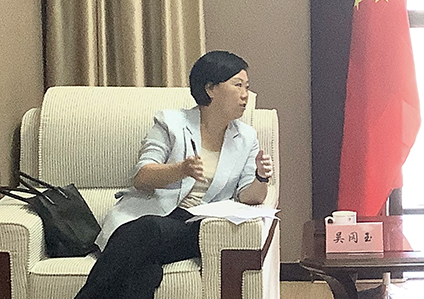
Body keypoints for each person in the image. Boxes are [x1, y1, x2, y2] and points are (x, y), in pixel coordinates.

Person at [75, 50, 274, 299]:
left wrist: (261, 176)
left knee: (146, 232)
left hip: (193, 226)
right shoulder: (171, 123)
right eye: (238, 85)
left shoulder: (246, 137)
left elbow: (248, 196)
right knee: (143, 274)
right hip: (150, 218)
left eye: (247, 86)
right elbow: (142, 177)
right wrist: (181, 170)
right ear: (210, 88)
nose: (245, 95)